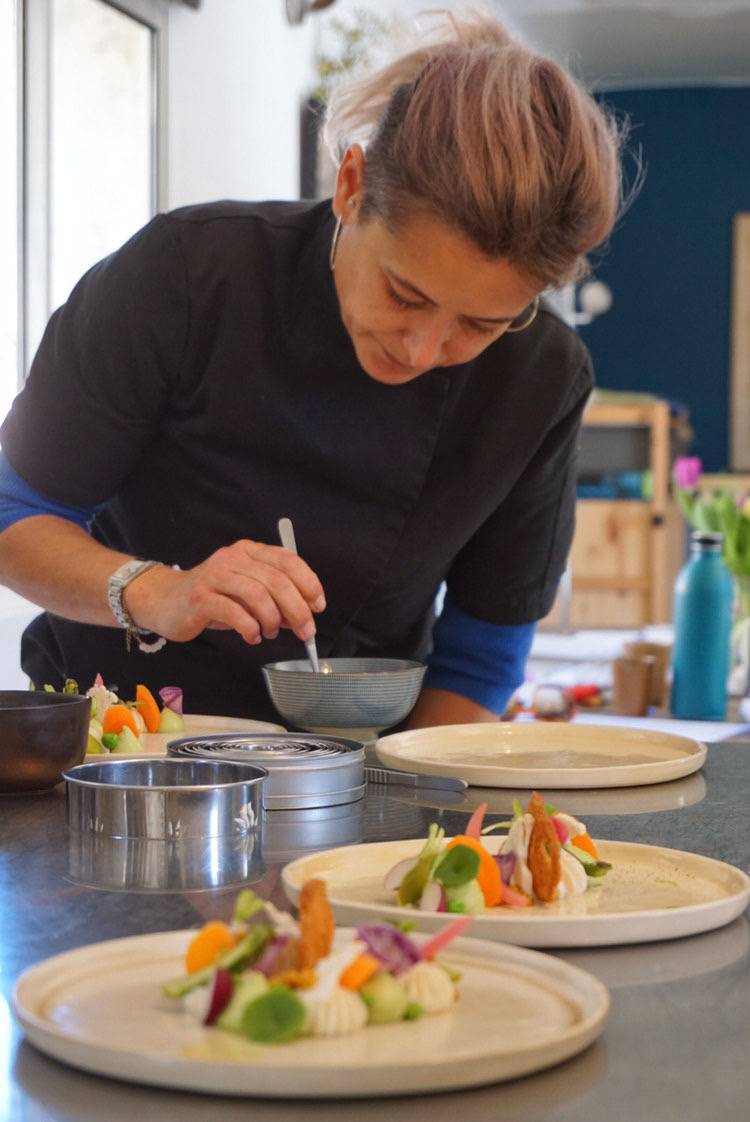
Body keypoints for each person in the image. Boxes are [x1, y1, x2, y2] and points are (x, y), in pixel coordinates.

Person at [0, 12, 625, 725]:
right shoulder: (187, 275)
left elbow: (482, 652)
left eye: (482, 325)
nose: (421, 350)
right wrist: (153, 592)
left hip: (358, 769)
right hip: (114, 748)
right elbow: (15, 513)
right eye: (405, 293)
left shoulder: (538, 377)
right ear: (352, 186)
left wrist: (404, 810)